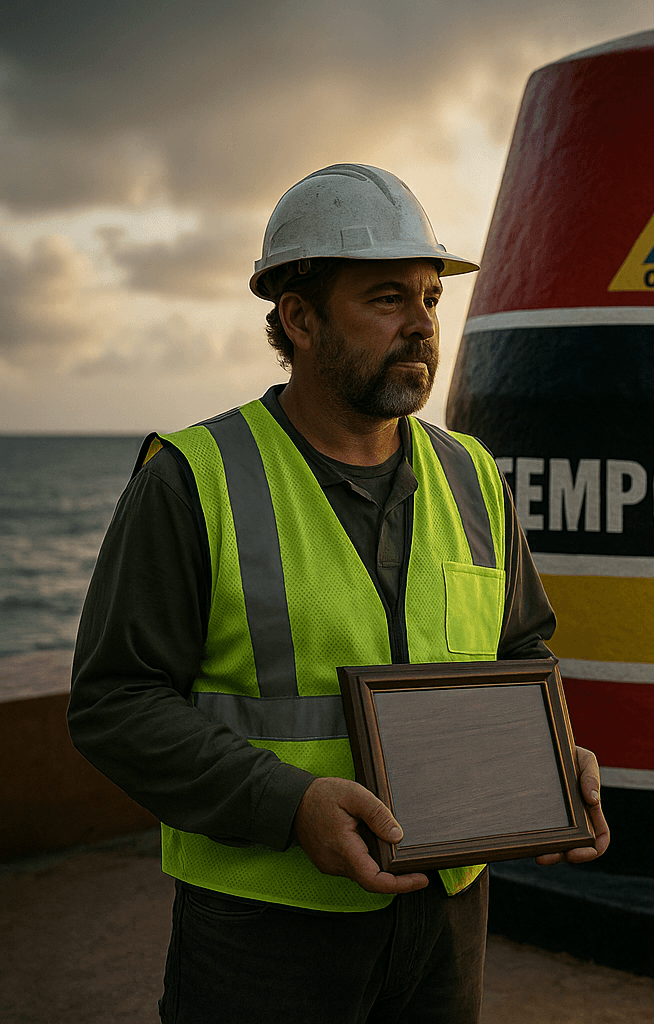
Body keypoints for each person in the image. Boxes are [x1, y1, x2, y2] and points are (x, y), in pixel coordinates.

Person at [68, 163, 609, 1024]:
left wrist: (551, 755)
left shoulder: (472, 475)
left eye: (431, 299)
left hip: (446, 920)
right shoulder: (192, 479)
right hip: (266, 929)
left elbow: (520, 651)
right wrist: (290, 806)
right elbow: (114, 702)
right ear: (300, 318)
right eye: (387, 299)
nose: (422, 326)